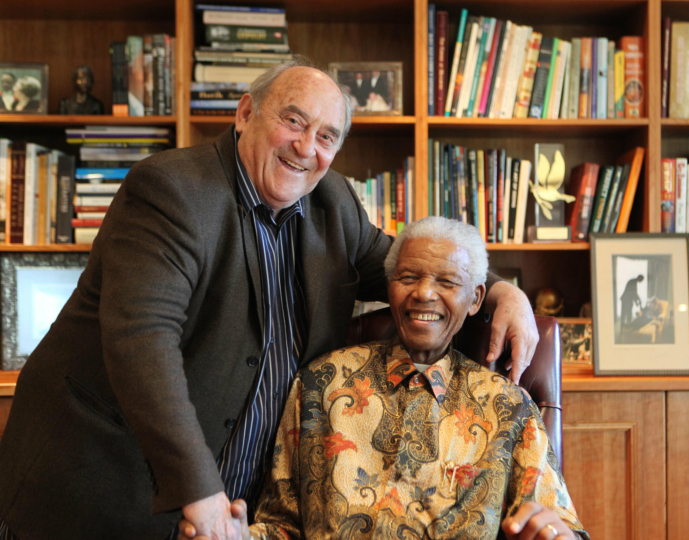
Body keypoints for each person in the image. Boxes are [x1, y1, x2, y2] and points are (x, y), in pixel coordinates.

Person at [0, 58, 537, 540]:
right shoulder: (170, 189)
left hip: (237, 511)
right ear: (245, 114)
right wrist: (200, 491)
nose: (306, 147)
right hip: (99, 482)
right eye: (294, 121)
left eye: (326, 136)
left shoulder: (333, 204)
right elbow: (142, 342)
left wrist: (501, 292)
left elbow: (413, 269)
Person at [178, 217, 589, 540]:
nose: (424, 293)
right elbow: (282, 524)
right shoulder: (321, 383)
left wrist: (557, 535)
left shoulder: (507, 405)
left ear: (476, 299)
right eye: (408, 277)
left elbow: (559, 523)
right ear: (389, 286)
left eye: (447, 281)